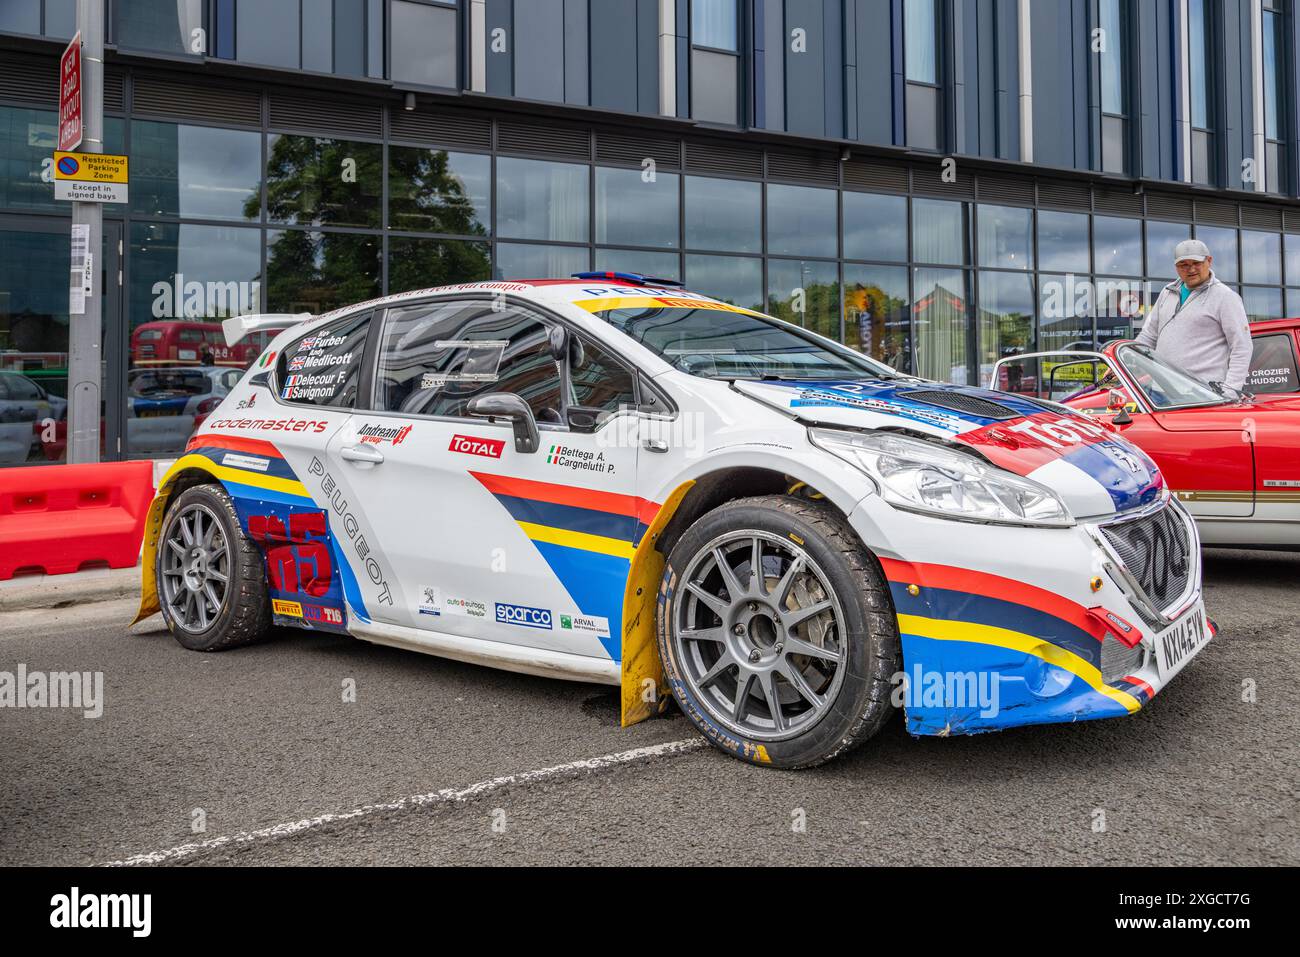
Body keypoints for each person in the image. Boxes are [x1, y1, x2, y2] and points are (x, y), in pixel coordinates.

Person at [1135, 239, 1253, 393]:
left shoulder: (1225, 297)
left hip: (1202, 394)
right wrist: (1126, 360)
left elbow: (1242, 347)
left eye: (1196, 263)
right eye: (1184, 265)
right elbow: (1149, 335)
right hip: (1160, 391)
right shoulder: (1167, 293)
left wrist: (1230, 391)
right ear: (1176, 267)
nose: (1191, 270)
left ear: (1209, 261)